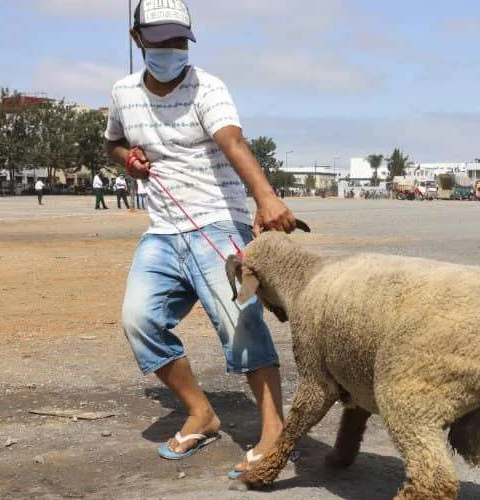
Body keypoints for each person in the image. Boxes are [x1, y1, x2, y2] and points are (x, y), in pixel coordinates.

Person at [105, 0, 298, 478]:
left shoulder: (207, 88)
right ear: (138, 41)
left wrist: (266, 199)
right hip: (164, 230)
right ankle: (201, 413)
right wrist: (127, 157)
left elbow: (233, 142)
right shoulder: (123, 92)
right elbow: (112, 140)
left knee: (241, 322)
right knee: (139, 319)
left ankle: (274, 429)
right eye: (160, 41)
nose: (171, 50)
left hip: (218, 222)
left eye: (178, 41)